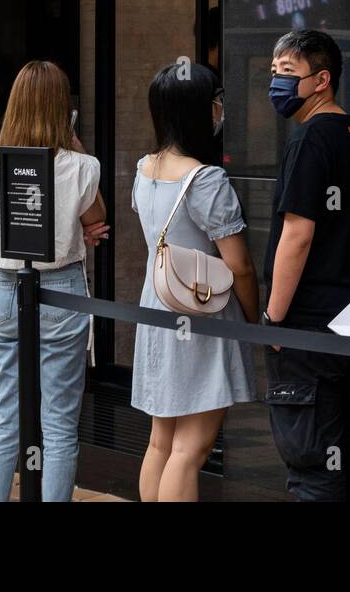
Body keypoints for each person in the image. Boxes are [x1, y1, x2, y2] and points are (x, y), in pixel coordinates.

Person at [0, 61, 106, 502]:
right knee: (60, 422)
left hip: (5, 287)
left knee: (5, 414)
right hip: (61, 288)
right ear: (62, 109)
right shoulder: (81, 166)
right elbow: (97, 218)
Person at [131, 62, 258, 502]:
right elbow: (239, 264)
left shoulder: (144, 169)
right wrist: (253, 318)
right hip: (202, 312)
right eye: (214, 103)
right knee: (192, 447)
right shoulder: (205, 179)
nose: (220, 110)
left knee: (161, 441)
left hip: (157, 304)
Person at [263, 29, 350, 501]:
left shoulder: (311, 140)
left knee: (312, 465)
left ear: (322, 79)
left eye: (288, 73)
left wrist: (274, 317)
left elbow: (298, 234)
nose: (277, 83)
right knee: (349, 454)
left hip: (307, 328)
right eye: (274, 73)